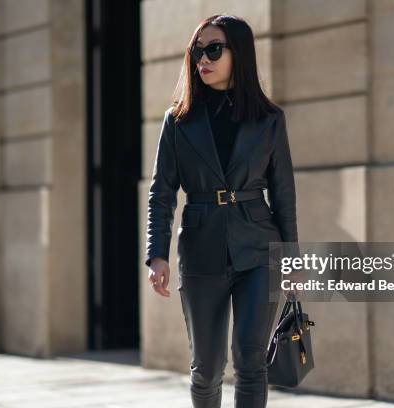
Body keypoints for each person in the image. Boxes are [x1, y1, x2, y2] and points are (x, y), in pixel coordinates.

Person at [145, 14, 299, 408]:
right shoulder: (178, 121)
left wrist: (291, 259)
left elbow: (283, 195)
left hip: (259, 249)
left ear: (239, 53)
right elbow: (161, 192)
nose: (203, 59)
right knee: (207, 368)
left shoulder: (269, 120)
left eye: (214, 49)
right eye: (198, 51)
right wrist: (156, 254)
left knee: (251, 363)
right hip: (200, 250)